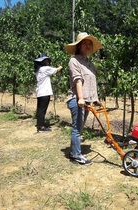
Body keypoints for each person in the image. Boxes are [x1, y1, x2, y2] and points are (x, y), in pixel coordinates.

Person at [64, 32, 102, 165]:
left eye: (89, 43)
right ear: (79, 46)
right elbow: (78, 80)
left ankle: (73, 151)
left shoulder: (89, 64)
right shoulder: (74, 61)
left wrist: (95, 99)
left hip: (86, 100)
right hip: (76, 99)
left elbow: (92, 83)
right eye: (84, 43)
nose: (87, 45)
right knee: (77, 128)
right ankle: (76, 155)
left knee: (79, 128)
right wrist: (80, 98)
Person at [34, 53, 63, 132]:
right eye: (46, 60)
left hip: (40, 92)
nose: (47, 62)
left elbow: (48, 76)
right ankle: (41, 127)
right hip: (45, 93)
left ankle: (39, 125)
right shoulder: (45, 68)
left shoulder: (39, 70)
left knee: (40, 109)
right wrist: (61, 66)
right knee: (42, 110)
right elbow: (56, 70)